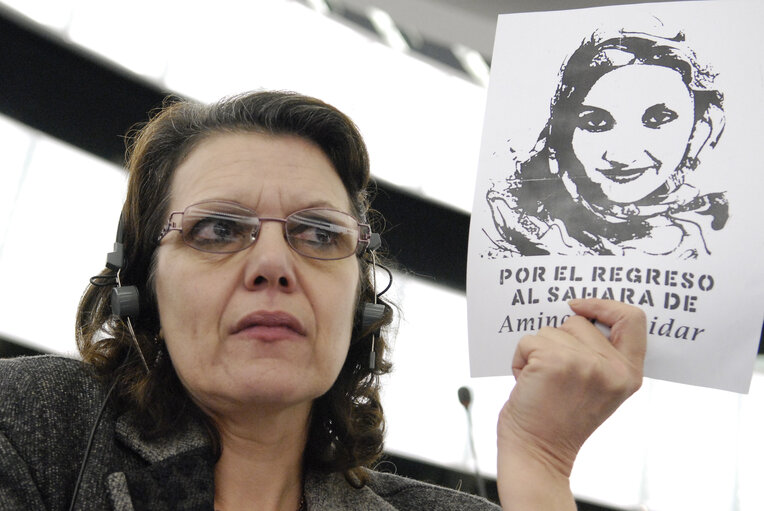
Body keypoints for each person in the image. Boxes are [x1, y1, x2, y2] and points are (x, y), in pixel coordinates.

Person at [0, 90, 646, 510]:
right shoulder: (31, 423)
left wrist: (541, 461)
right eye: (219, 229)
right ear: (142, 285)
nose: (275, 265)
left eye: (318, 233)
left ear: (362, 300)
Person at [486, 29, 728, 258]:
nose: (623, 155)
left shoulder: (711, 224)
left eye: (657, 119)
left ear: (701, 128)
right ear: (562, 133)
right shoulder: (513, 225)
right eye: (595, 122)